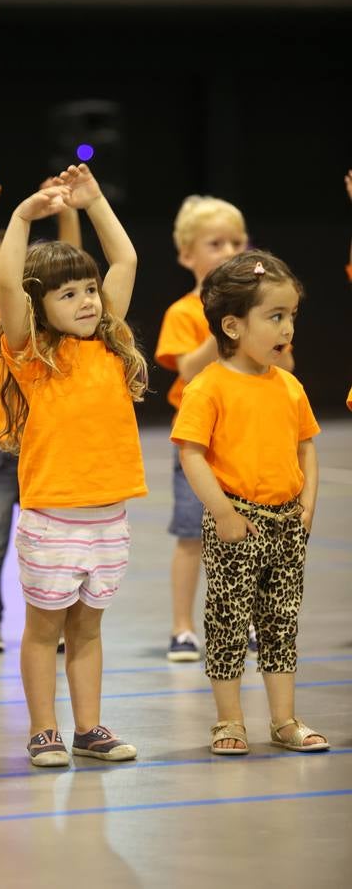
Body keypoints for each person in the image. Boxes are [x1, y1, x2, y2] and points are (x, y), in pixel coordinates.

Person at [0, 163, 147, 766]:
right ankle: (43, 730)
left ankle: (90, 729)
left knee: (87, 631)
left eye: (88, 290)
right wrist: (20, 218)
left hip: (109, 520)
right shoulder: (31, 356)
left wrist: (96, 201)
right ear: (40, 305)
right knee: (43, 631)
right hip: (53, 521)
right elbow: (7, 285)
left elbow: (126, 261)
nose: (86, 301)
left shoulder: (108, 344)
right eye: (68, 293)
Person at [171, 249, 329, 755]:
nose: (287, 329)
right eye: (275, 317)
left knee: (281, 621)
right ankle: (230, 721)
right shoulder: (209, 387)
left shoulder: (288, 385)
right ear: (234, 326)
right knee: (228, 621)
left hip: (286, 523)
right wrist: (222, 512)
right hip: (238, 521)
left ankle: (283, 720)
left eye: (292, 317)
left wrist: (307, 503)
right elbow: (192, 453)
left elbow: (306, 445)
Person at [155, 195, 294, 663]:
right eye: (216, 242)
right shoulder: (182, 312)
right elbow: (187, 371)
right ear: (186, 254)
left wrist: (264, 327)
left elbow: (286, 363)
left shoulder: (265, 311)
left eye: (238, 241)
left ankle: (253, 619)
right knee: (192, 532)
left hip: (253, 439)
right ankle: (182, 626)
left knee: (256, 534)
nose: (230, 248)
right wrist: (224, 325)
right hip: (200, 438)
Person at [0, 167, 80, 653]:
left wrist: (66, 213)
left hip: (44, 446)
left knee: (55, 542)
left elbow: (74, 262)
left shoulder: (42, 323)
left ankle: (56, 622)